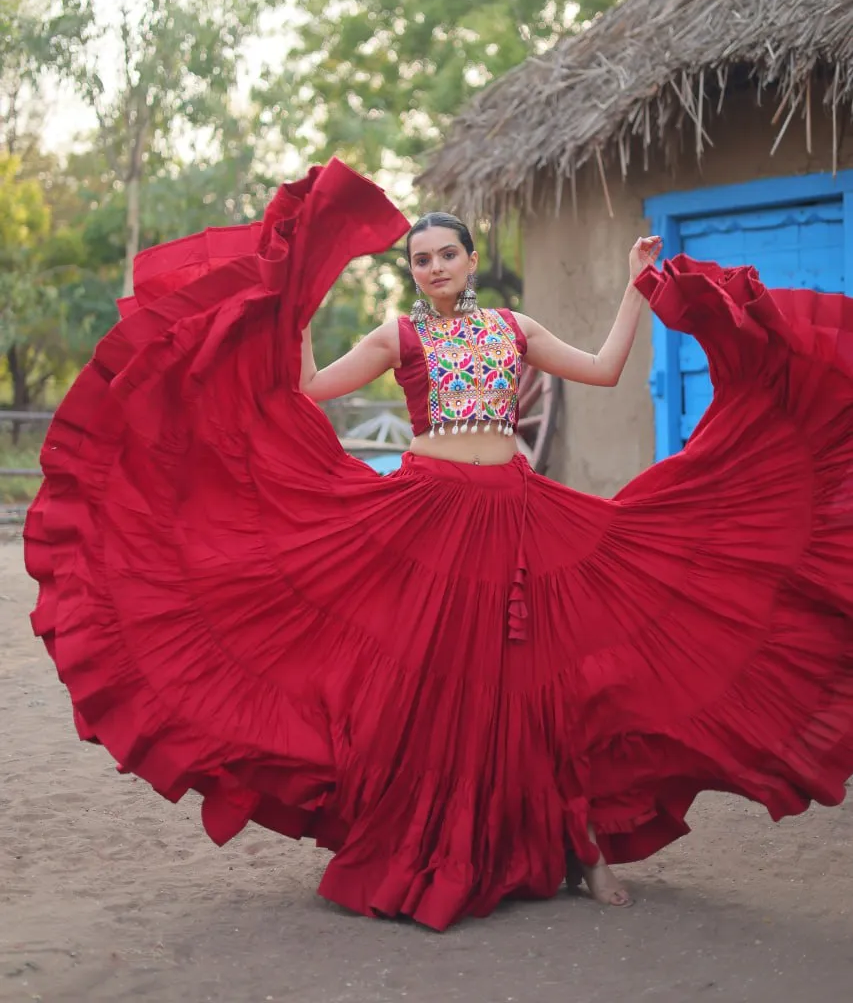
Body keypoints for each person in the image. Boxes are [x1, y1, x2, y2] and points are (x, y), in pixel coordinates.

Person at [25, 157, 853, 932]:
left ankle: (584, 850)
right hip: (425, 517)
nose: (433, 268)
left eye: (445, 254)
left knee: (538, 683)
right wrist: (296, 309)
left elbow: (601, 369)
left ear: (467, 257)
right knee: (427, 685)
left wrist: (638, 288)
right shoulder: (398, 336)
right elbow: (305, 390)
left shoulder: (512, 326)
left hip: (516, 516)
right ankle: (426, 840)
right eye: (420, 259)